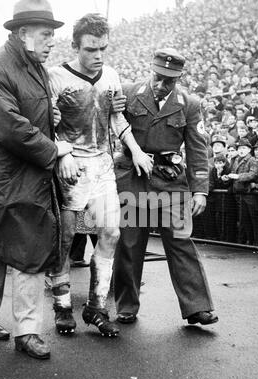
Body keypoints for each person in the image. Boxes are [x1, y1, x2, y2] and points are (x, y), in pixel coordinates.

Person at [48, 14, 153, 337]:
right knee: (65, 239)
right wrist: (61, 151)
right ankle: (63, 305)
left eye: (102, 49)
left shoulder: (110, 75)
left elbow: (117, 120)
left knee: (111, 234)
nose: (98, 56)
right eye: (91, 49)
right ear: (75, 46)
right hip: (71, 165)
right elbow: (44, 125)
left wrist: (134, 149)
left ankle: (96, 306)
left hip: (102, 165)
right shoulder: (55, 77)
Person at [0, 0, 70, 359]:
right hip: (2, 177)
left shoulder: (37, 67)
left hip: (31, 176)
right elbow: (8, 125)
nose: (52, 42)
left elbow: (29, 117)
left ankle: (28, 331)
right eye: (47, 34)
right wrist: (55, 151)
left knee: (29, 253)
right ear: (22, 34)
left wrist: (50, 117)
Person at [113, 48, 218, 326]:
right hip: (133, 178)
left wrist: (199, 190)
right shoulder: (127, 92)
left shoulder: (190, 103)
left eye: (169, 81)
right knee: (129, 243)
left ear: (179, 78)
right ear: (151, 70)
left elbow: (198, 148)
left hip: (170, 182)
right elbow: (111, 127)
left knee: (181, 241)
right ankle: (126, 305)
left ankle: (197, 306)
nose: (161, 85)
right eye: (158, 78)